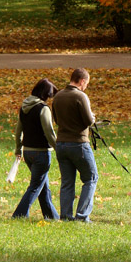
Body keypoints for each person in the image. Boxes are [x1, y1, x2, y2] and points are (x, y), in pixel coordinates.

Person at [52, 68, 98, 222]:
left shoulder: (57, 96)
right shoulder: (81, 96)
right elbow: (88, 121)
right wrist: (92, 117)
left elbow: (56, 120)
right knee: (91, 178)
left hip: (61, 144)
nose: (86, 86)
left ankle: (65, 216)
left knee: (67, 182)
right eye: (87, 83)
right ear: (82, 81)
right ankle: (82, 215)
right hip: (78, 144)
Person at [12, 78, 60, 220]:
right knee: (35, 186)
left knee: (43, 187)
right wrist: (59, 148)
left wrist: (18, 148)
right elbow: (49, 132)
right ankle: (19, 215)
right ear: (45, 94)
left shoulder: (24, 107)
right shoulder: (43, 109)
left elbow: (18, 131)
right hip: (42, 153)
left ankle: (52, 217)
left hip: (28, 152)